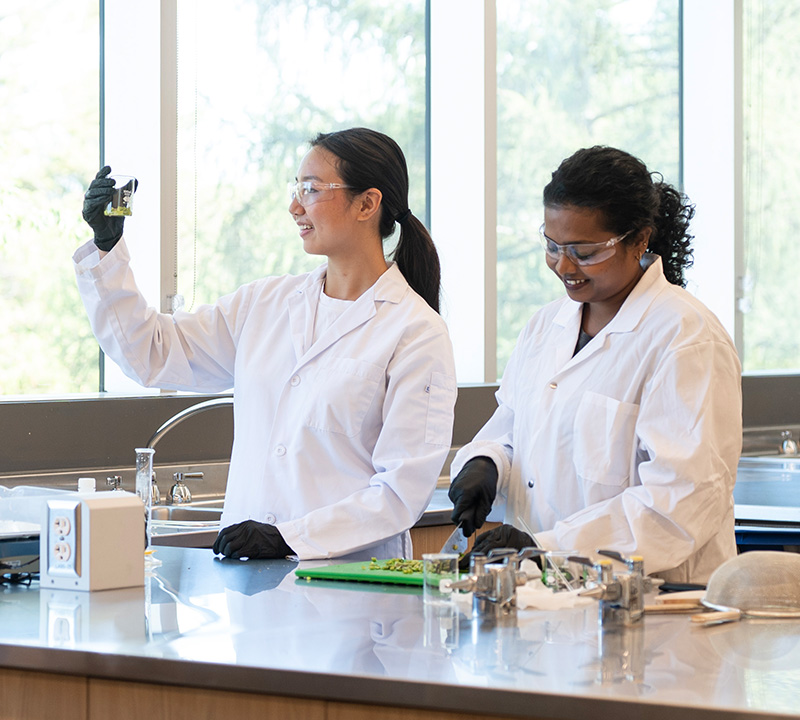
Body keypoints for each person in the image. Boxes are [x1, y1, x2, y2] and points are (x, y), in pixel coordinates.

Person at [75, 127, 457, 561]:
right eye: (296, 188)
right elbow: (154, 353)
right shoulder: (266, 304)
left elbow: (400, 492)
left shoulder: (415, 331)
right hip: (251, 589)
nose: (294, 206)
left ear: (367, 203)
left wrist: (290, 537)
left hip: (351, 596)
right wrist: (108, 248)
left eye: (311, 190)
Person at [449, 145, 742, 583]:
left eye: (584, 252)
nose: (564, 266)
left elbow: (680, 501)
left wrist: (549, 548)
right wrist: (485, 462)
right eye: (552, 246)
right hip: (551, 598)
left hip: (656, 602)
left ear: (639, 239)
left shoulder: (685, 337)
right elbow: (513, 429)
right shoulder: (545, 325)